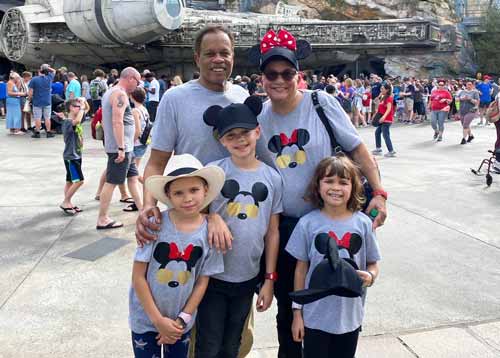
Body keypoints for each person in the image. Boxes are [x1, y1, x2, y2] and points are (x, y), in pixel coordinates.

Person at [254, 29, 387, 358]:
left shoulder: (320, 102)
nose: (280, 80)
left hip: (330, 221)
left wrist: (380, 192)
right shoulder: (258, 117)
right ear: (262, 78)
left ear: (298, 75)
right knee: (290, 308)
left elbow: (358, 149)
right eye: (272, 74)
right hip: (285, 227)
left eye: (287, 73)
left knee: (336, 300)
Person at [195, 97, 282, 357]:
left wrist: (268, 279)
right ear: (221, 140)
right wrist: (212, 217)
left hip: (248, 277)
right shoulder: (212, 173)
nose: (239, 140)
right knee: (208, 345)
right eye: (231, 135)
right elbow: (190, 214)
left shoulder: (272, 177)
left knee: (233, 343)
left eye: (245, 133)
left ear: (257, 131)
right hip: (211, 276)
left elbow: (273, 231)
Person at [129, 153, 225, 358]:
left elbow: (202, 282)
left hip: (180, 324)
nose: (188, 198)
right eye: (179, 193)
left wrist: (182, 319)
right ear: (168, 196)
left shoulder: (210, 233)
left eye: (194, 190)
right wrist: (158, 321)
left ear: (205, 190)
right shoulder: (154, 225)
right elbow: (138, 277)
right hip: (145, 320)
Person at [287, 155, 381, 358]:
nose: (335, 187)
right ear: (318, 185)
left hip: (350, 317)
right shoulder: (307, 224)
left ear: (353, 187)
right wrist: (297, 313)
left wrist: (371, 276)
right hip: (315, 317)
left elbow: (373, 262)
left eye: (343, 182)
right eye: (329, 181)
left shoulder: (363, 224)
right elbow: (301, 270)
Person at [96, 67, 143, 230]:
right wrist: (121, 148)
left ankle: (143, 210)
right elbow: (117, 121)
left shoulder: (111, 91)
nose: (137, 86)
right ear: (130, 78)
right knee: (112, 182)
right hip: (120, 148)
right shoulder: (120, 94)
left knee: (133, 178)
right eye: (137, 82)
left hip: (126, 147)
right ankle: (102, 218)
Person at [59, 98, 89, 215]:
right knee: (79, 181)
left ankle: (68, 202)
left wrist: (83, 101)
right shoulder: (67, 122)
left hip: (75, 155)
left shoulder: (77, 118)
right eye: (77, 106)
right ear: (71, 108)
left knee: (70, 181)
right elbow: (76, 121)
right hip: (71, 157)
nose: (79, 108)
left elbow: (87, 109)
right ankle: (65, 202)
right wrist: (81, 107)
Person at [29, 64, 56, 138]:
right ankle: (48, 132)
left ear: (39, 71)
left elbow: (30, 92)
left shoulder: (34, 79)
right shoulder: (49, 78)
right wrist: (47, 67)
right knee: (47, 117)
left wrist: (29, 99)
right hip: (47, 101)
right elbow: (54, 71)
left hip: (37, 101)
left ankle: (37, 133)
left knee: (37, 118)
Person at [131, 86, 150, 189]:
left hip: (137, 143)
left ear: (132, 97)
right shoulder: (144, 109)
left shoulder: (135, 111)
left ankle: (149, 187)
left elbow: (137, 130)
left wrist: (130, 141)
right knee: (134, 170)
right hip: (144, 142)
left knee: (133, 171)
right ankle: (149, 187)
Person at [372, 82, 396, 157]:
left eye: (382, 88)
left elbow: (389, 109)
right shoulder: (383, 97)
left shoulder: (389, 98)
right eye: (381, 88)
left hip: (386, 119)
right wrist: (375, 115)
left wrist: (383, 117)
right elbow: (380, 108)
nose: (381, 89)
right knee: (377, 132)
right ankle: (378, 149)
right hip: (382, 119)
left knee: (386, 135)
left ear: (387, 90)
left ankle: (391, 151)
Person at [458, 80, 479, 145]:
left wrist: (470, 99)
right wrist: (462, 98)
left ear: (472, 85)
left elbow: (477, 102)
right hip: (462, 110)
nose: (469, 86)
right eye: (468, 84)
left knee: (465, 125)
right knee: (465, 124)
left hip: (471, 110)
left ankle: (464, 139)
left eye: (470, 84)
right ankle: (470, 136)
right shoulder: (462, 91)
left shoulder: (475, 92)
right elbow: (457, 99)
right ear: (466, 85)